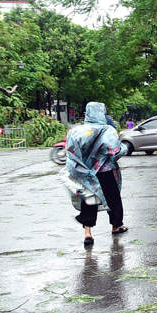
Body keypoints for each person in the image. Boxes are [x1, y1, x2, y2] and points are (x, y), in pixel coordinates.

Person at [64, 102, 128, 245]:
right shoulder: (107, 130)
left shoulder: (75, 131)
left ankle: (88, 234)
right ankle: (116, 226)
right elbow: (115, 151)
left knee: (89, 200)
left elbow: (71, 154)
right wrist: (123, 148)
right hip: (105, 172)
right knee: (113, 199)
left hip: (85, 174)